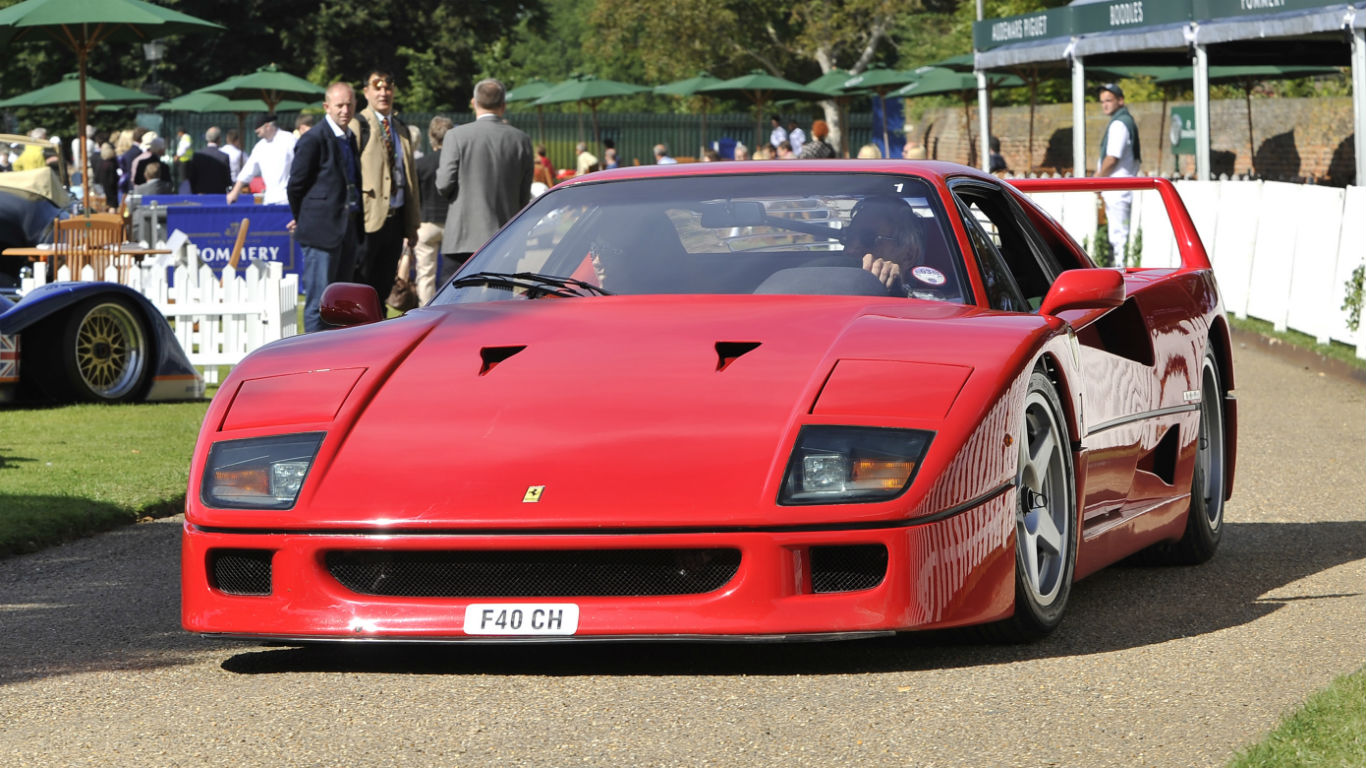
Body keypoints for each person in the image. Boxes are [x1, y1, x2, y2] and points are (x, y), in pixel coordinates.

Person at [436, 78, 534, 278]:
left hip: (462, 238)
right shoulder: (521, 140)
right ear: (503, 106)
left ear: (474, 102)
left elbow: (444, 184)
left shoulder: (456, 136)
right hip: (505, 238)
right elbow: (524, 196)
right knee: (499, 303)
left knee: (456, 305)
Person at [287, 81, 364, 333]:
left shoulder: (349, 137)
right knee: (318, 302)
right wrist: (304, 217)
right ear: (326, 107)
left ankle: (338, 356)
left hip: (346, 229)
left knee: (341, 303)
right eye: (340, 105)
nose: (345, 110)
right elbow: (295, 186)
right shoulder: (313, 139)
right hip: (320, 231)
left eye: (349, 104)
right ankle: (313, 358)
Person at [353, 69, 420, 306]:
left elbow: (410, 179)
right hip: (368, 221)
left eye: (388, 88)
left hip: (396, 219)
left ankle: (377, 336)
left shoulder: (401, 129)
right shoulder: (357, 125)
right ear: (366, 92)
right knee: (362, 285)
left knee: (383, 288)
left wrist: (412, 225)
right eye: (377, 87)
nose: (384, 93)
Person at [848, 196, 926, 296]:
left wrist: (897, 289)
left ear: (909, 256)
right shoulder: (827, 287)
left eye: (869, 238)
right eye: (848, 236)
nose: (850, 250)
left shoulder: (924, 303)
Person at [1096, 83, 1140, 259]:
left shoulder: (1119, 124)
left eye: (1109, 100)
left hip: (1117, 187)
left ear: (1120, 101)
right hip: (1121, 186)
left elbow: (1112, 157)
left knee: (1119, 236)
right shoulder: (1124, 121)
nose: (1104, 104)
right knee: (1120, 234)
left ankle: (1122, 275)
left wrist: (1097, 180)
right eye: (1102, 101)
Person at [414, 115, 454, 304]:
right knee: (453, 271)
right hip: (451, 222)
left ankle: (425, 308)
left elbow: (416, 196)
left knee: (425, 273)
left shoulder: (421, 164)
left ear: (431, 136)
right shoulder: (456, 164)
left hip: (426, 221)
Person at [227, 114, 295, 205]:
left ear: (267, 126)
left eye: (259, 132)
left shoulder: (289, 139)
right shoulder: (260, 146)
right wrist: (235, 191)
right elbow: (248, 170)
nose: (258, 135)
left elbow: (300, 166)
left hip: (288, 199)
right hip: (270, 199)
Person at [185, 126, 233, 194]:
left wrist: (195, 192)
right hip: (218, 196)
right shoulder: (224, 157)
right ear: (219, 139)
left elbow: (192, 178)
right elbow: (227, 181)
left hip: (201, 195)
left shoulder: (197, 156)